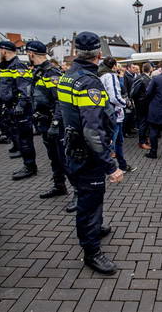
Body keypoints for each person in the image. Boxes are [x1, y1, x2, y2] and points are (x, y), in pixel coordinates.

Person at [57, 32, 123, 274]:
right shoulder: (89, 82)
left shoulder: (67, 76)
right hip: (87, 154)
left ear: (76, 52)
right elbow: (92, 131)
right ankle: (91, 251)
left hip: (72, 149)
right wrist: (110, 165)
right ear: (98, 55)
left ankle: (94, 229)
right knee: (90, 202)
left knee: (89, 197)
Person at [26, 41, 70, 200]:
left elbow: (61, 101)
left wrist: (55, 124)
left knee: (64, 159)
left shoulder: (51, 73)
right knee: (54, 158)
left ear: (31, 54)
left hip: (54, 124)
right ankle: (59, 186)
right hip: (44, 123)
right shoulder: (38, 72)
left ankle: (78, 193)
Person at [0, 40, 37, 180]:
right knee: (20, 137)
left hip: (20, 109)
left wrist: (21, 104)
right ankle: (27, 163)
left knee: (25, 139)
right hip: (12, 107)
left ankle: (30, 166)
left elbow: (25, 88)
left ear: (4, 50)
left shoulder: (18, 66)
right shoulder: (7, 66)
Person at [98, 57, 136, 173]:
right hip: (114, 114)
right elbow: (114, 96)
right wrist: (126, 103)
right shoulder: (110, 76)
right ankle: (108, 169)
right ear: (113, 66)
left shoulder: (101, 75)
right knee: (111, 144)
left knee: (118, 141)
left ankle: (122, 165)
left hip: (109, 113)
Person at [131, 62, 152, 150]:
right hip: (143, 104)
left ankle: (145, 139)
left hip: (140, 104)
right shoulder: (145, 79)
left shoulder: (139, 77)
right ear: (150, 69)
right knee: (143, 123)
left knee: (143, 123)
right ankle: (142, 142)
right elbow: (147, 93)